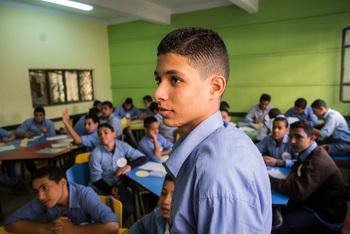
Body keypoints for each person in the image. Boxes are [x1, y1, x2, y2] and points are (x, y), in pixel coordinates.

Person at [154, 27, 271, 233]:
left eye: (175, 79)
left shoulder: (219, 169)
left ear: (215, 87)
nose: (158, 93)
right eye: (159, 79)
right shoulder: (205, 145)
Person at [270, 121, 347, 234]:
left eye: (298, 137)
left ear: (312, 138)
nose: (292, 141)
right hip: (312, 202)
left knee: (276, 228)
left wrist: (269, 179)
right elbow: (297, 167)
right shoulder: (308, 152)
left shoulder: (318, 160)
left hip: (325, 216)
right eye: (290, 136)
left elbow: (298, 192)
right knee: (273, 212)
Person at [4, 165, 119, 234]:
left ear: (63, 183)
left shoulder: (85, 195)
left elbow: (112, 226)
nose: (40, 196)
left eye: (44, 188)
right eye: (37, 191)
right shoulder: (44, 199)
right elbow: (10, 223)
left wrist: (74, 230)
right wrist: (47, 228)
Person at [89, 123, 147, 219]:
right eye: (99, 134)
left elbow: (142, 157)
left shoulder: (122, 145)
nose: (102, 136)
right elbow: (96, 180)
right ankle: (110, 226)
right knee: (113, 210)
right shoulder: (95, 154)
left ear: (114, 134)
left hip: (118, 185)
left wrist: (129, 166)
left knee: (129, 208)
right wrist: (110, 190)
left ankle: (116, 225)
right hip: (101, 188)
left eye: (106, 132)